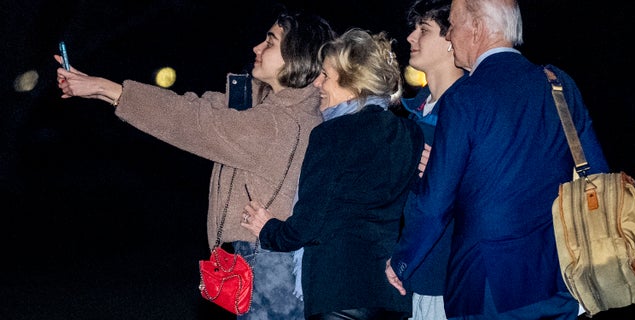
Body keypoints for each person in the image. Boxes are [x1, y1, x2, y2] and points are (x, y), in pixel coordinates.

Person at [55, 9, 336, 319]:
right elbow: (197, 108)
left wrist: (106, 88)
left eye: (270, 42)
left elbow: (191, 123)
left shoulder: (279, 125)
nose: (257, 48)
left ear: (297, 55)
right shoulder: (272, 112)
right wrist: (103, 93)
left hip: (269, 268)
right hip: (258, 262)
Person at [385, 0, 610, 319]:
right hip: (558, 280)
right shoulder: (557, 82)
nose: (450, 35)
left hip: (486, 286)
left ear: (476, 27)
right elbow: (597, 175)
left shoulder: (465, 97)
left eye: (453, 23)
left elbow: (435, 204)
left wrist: (402, 260)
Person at [240, 28, 423, 320]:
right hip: (391, 296)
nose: (317, 83)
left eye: (325, 75)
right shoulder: (410, 133)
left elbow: (307, 224)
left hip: (338, 294)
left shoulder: (332, 134)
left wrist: (268, 230)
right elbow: (416, 211)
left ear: (353, 82)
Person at [399, 1, 466, 319]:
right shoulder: (418, 110)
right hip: (417, 273)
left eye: (423, 30)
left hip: (451, 279)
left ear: (452, 39)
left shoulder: (470, 110)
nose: (411, 38)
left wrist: (454, 173)